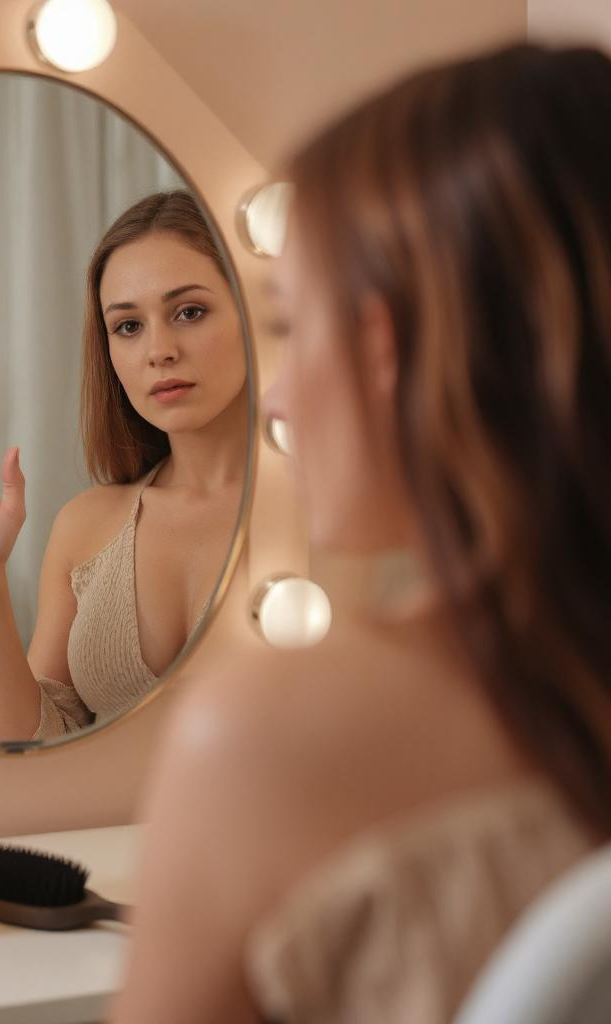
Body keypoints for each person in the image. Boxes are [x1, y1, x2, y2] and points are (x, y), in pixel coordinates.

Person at [110, 43, 611, 1023]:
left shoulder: (261, 743)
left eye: (291, 323)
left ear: (387, 349)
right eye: (125, 326)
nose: (280, 394)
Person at [0, 190, 248, 746]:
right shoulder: (86, 525)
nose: (158, 350)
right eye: (128, 326)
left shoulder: (330, 513)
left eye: (189, 312)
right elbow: (30, 747)